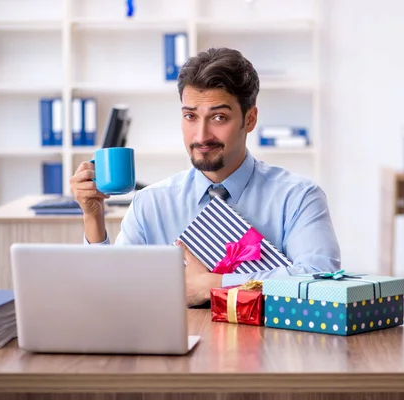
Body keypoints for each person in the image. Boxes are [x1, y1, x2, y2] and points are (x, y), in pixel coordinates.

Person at [70, 47, 341, 307]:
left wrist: (214, 285)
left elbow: (320, 285)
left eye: (219, 117)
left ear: (250, 119)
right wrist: (93, 217)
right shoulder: (150, 204)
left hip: (273, 348)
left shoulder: (299, 197)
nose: (201, 136)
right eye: (190, 116)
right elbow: (111, 291)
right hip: (175, 348)